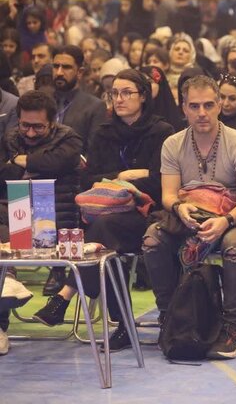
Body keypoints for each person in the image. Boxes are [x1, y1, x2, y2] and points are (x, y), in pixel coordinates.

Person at [33, 70, 174, 350]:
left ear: (143, 96)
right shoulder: (104, 132)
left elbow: (159, 183)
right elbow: (87, 179)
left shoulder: (162, 131)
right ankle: (120, 323)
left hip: (148, 215)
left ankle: (66, 296)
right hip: (105, 213)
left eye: (126, 93)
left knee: (100, 236)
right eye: (114, 93)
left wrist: (115, 180)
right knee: (104, 236)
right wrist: (125, 175)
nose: (118, 99)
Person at [142, 75, 236, 359]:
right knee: (152, 242)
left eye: (209, 105)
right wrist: (178, 208)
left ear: (220, 104)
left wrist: (225, 221)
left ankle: (233, 330)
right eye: (194, 106)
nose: (202, 113)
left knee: (233, 247)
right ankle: (170, 318)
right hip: (191, 214)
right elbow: (169, 195)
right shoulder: (172, 144)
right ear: (183, 108)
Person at [0, 91, 83, 350]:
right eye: (26, 125)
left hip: (62, 216)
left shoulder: (70, 138)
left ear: (53, 121)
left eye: (39, 127)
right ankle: (8, 283)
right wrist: (35, 163)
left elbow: (59, 161)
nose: (31, 133)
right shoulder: (11, 136)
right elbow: (6, 174)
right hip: (17, 211)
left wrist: (26, 161)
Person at [50, 45, 107, 152]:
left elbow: (94, 152)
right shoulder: (43, 102)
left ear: (80, 72)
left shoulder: (94, 107)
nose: (59, 73)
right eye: (56, 66)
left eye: (66, 67)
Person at [140, 65, 185, 132]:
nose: (145, 86)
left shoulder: (173, 117)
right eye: (140, 82)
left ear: (160, 85)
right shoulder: (133, 113)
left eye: (150, 82)